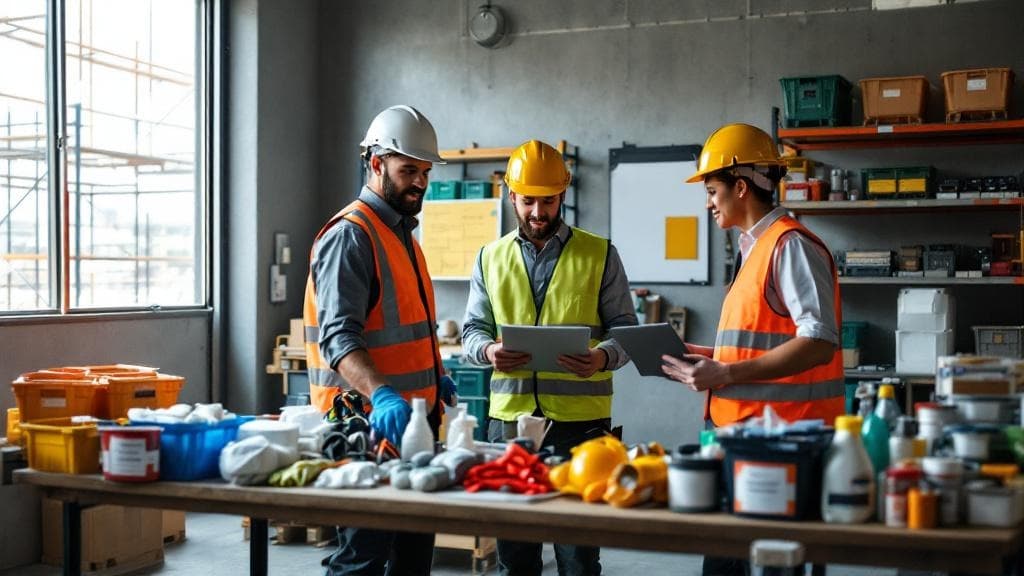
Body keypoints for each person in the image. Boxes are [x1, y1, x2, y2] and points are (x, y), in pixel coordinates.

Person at [660, 123, 843, 576]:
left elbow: (819, 343)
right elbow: (758, 340)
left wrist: (725, 376)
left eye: (712, 190)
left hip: (785, 449)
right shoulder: (755, 249)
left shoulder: (789, 245)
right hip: (744, 444)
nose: (708, 203)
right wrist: (700, 353)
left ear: (740, 187)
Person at [462, 139, 637, 576]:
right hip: (509, 425)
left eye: (548, 200)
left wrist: (603, 358)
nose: (538, 212)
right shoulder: (489, 258)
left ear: (564, 194)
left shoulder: (600, 254)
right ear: (511, 196)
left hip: (582, 426)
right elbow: (471, 330)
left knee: (578, 556)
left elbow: (628, 332)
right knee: (514, 554)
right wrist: (487, 350)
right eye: (528, 201)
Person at [303, 104, 453, 576]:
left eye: (425, 172)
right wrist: (383, 394)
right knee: (361, 561)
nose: (419, 183)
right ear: (376, 164)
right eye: (408, 170)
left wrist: (438, 378)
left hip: (415, 425)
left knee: (412, 560)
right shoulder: (351, 236)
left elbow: (411, 329)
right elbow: (338, 339)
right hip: (366, 427)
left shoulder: (403, 237)